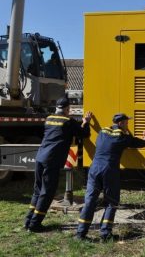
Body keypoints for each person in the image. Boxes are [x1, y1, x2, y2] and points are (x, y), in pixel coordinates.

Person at [76, 113, 145, 241]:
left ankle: (80, 233)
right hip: (109, 170)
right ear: (120, 123)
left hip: (94, 169)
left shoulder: (102, 132)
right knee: (111, 201)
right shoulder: (121, 137)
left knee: (90, 201)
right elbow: (137, 143)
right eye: (126, 123)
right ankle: (105, 233)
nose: (128, 125)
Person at [25, 97, 92, 232]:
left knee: (38, 190)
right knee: (47, 192)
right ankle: (35, 224)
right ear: (67, 109)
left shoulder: (49, 119)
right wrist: (86, 122)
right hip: (52, 160)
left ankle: (28, 221)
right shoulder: (69, 122)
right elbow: (84, 134)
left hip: (40, 158)